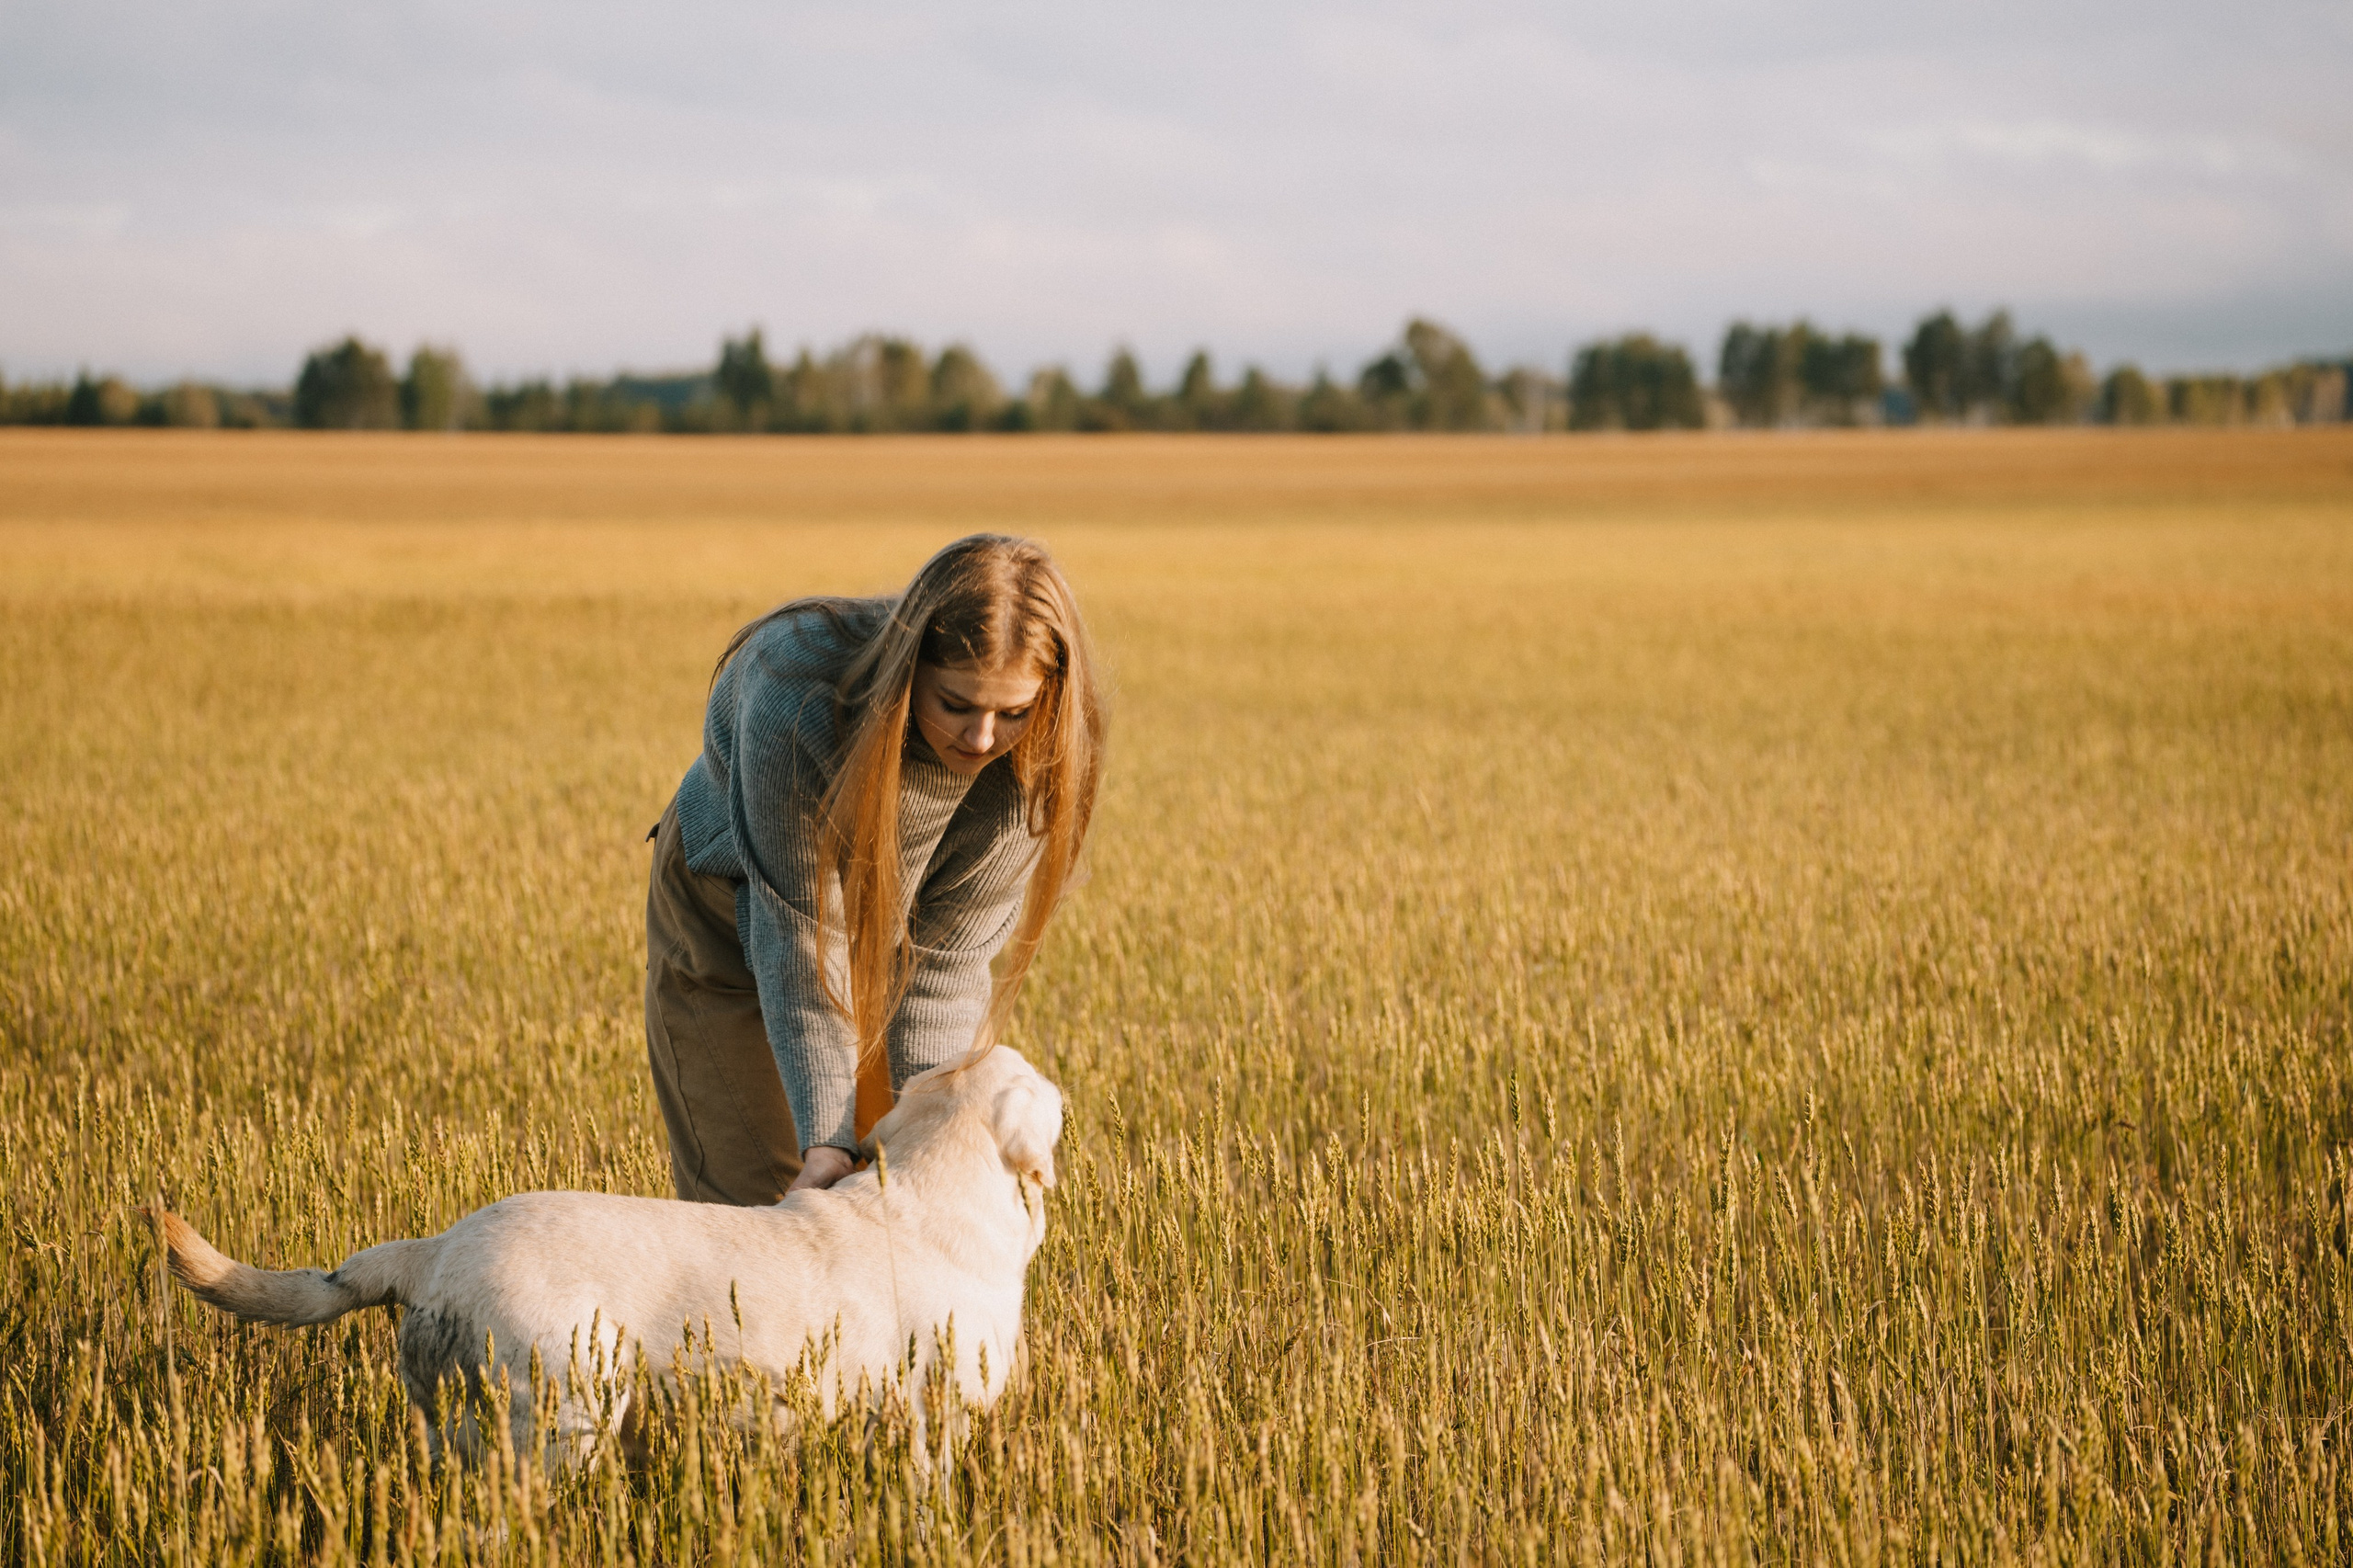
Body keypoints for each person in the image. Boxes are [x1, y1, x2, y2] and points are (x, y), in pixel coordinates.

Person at [643, 534, 1104, 1202]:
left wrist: (922, 1145)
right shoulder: (793, 698)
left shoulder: (1038, 758)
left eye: (1012, 712)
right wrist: (828, 1143)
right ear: (907, 672)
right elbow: (802, 935)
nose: (982, 739)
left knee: (911, 1186)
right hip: (739, 909)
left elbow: (942, 971)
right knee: (759, 1208)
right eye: (956, 705)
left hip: (892, 932)